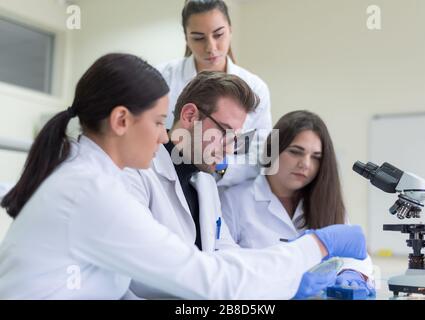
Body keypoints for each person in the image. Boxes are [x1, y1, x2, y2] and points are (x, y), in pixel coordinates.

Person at [0, 54, 366, 300]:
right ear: (121, 121)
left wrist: (286, 278)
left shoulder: (201, 181)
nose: (163, 136)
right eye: (159, 122)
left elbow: (221, 256)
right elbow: (202, 277)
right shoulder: (94, 189)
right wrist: (315, 246)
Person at [220, 111, 376, 296]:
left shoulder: (326, 201)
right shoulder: (234, 200)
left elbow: (355, 256)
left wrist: (352, 273)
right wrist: (281, 283)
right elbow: (226, 266)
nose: (306, 164)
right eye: (295, 152)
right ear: (272, 150)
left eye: (316, 157)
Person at [158, 0, 271, 186]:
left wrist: (219, 164)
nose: (211, 47)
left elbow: (261, 155)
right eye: (198, 37)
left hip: (222, 191)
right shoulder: (163, 78)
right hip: (168, 181)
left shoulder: (255, 88)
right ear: (186, 37)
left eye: (218, 34)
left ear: (230, 30)